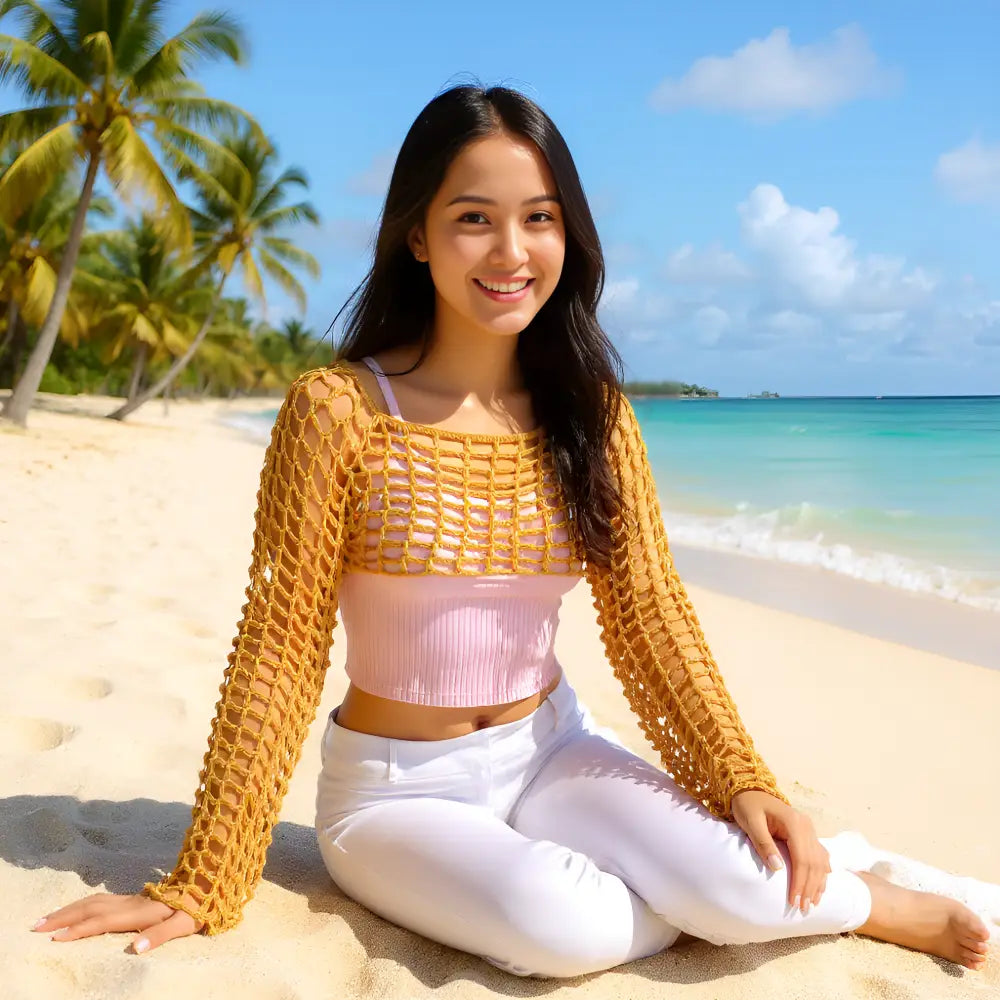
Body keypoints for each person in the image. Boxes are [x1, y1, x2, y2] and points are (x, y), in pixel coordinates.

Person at [31, 84, 995, 978]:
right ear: (417, 235)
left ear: (569, 233)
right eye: (473, 219)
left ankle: (870, 897)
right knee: (569, 930)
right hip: (397, 793)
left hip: (552, 750)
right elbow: (280, 646)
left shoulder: (594, 416)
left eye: (539, 218)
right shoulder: (340, 412)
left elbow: (650, 614)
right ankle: (716, 888)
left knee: (745, 884)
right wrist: (207, 875)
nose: (510, 251)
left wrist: (737, 776)